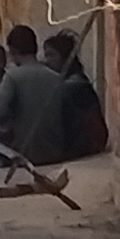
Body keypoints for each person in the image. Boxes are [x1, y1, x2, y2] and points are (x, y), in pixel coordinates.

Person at [0, 23, 73, 164]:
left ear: (13, 50)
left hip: (23, 152)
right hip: (55, 153)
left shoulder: (12, 76)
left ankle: (4, 161)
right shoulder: (56, 77)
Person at [44, 26, 109, 159]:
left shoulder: (75, 85)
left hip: (89, 143)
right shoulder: (65, 81)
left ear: (65, 57)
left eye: (51, 55)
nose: (47, 61)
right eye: (46, 55)